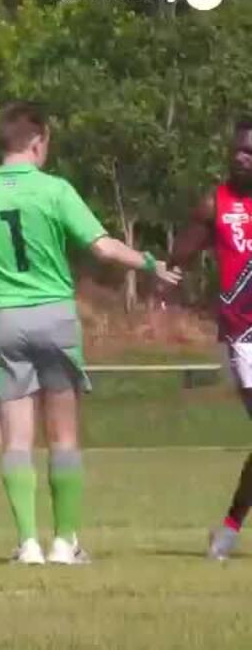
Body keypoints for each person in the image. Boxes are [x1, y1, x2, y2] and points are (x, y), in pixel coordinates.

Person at [0, 101, 181, 566]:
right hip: (54, 316)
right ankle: (65, 542)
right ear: (37, 141)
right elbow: (102, 245)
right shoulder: (55, 190)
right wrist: (150, 263)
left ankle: (28, 543)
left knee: (16, 438)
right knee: (64, 435)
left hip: (3, 320)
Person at [166, 117, 252, 561]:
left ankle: (228, 531)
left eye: (250, 153)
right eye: (238, 150)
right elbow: (179, 256)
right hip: (245, 334)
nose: (242, 158)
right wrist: (167, 278)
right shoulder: (215, 204)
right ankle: (230, 531)